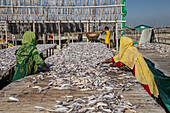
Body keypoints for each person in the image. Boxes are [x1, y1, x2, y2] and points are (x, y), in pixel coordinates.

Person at [99, 36, 170, 113]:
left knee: (147, 89)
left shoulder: (131, 50)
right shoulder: (127, 50)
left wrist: (109, 65)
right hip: (138, 72)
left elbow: (122, 63)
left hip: (142, 73)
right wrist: (103, 62)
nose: (120, 45)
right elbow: (116, 58)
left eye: (120, 43)